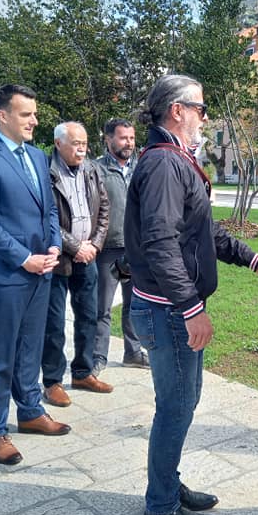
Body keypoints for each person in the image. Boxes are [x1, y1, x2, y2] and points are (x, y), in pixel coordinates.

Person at [125, 74, 258, 515]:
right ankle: (161, 506)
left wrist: (252, 259)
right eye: (200, 108)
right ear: (177, 110)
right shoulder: (163, 164)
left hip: (169, 309)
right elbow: (160, 243)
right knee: (176, 407)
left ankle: (167, 485)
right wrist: (191, 308)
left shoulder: (174, 160)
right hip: (168, 311)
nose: (205, 118)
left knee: (181, 402)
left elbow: (202, 231)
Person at [0, 84, 71, 466]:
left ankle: (30, 411)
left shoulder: (39, 157)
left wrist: (54, 245)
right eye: (26, 114)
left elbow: (50, 211)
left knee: (30, 348)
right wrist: (24, 258)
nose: (34, 121)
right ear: (3, 115)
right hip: (7, 274)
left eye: (35, 114)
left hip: (43, 271)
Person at [40, 121, 112, 407]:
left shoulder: (92, 170)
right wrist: (74, 246)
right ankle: (52, 381)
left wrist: (94, 244)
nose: (82, 149)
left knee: (88, 316)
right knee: (54, 323)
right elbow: (45, 216)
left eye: (84, 143)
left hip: (88, 257)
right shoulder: (46, 172)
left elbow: (104, 209)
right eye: (76, 143)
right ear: (59, 144)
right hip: (58, 258)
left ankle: (83, 372)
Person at [93, 118, 148, 372]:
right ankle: (97, 357)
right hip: (107, 250)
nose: (129, 143)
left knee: (133, 304)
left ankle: (133, 353)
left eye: (132, 138)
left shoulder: (142, 168)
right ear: (108, 139)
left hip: (135, 249)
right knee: (101, 307)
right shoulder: (95, 169)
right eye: (123, 138)